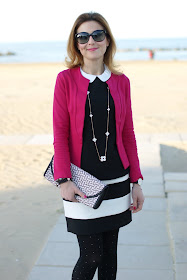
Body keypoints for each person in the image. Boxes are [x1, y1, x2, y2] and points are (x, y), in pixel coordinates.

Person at [52, 11, 145, 280]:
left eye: (97, 34)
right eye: (83, 36)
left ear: (107, 41)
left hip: (117, 179)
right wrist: (63, 179)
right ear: (76, 44)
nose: (90, 41)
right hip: (81, 182)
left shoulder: (121, 82)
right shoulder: (65, 80)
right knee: (91, 254)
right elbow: (60, 133)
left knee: (109, 255)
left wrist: (136, 181)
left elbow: (128, 133)